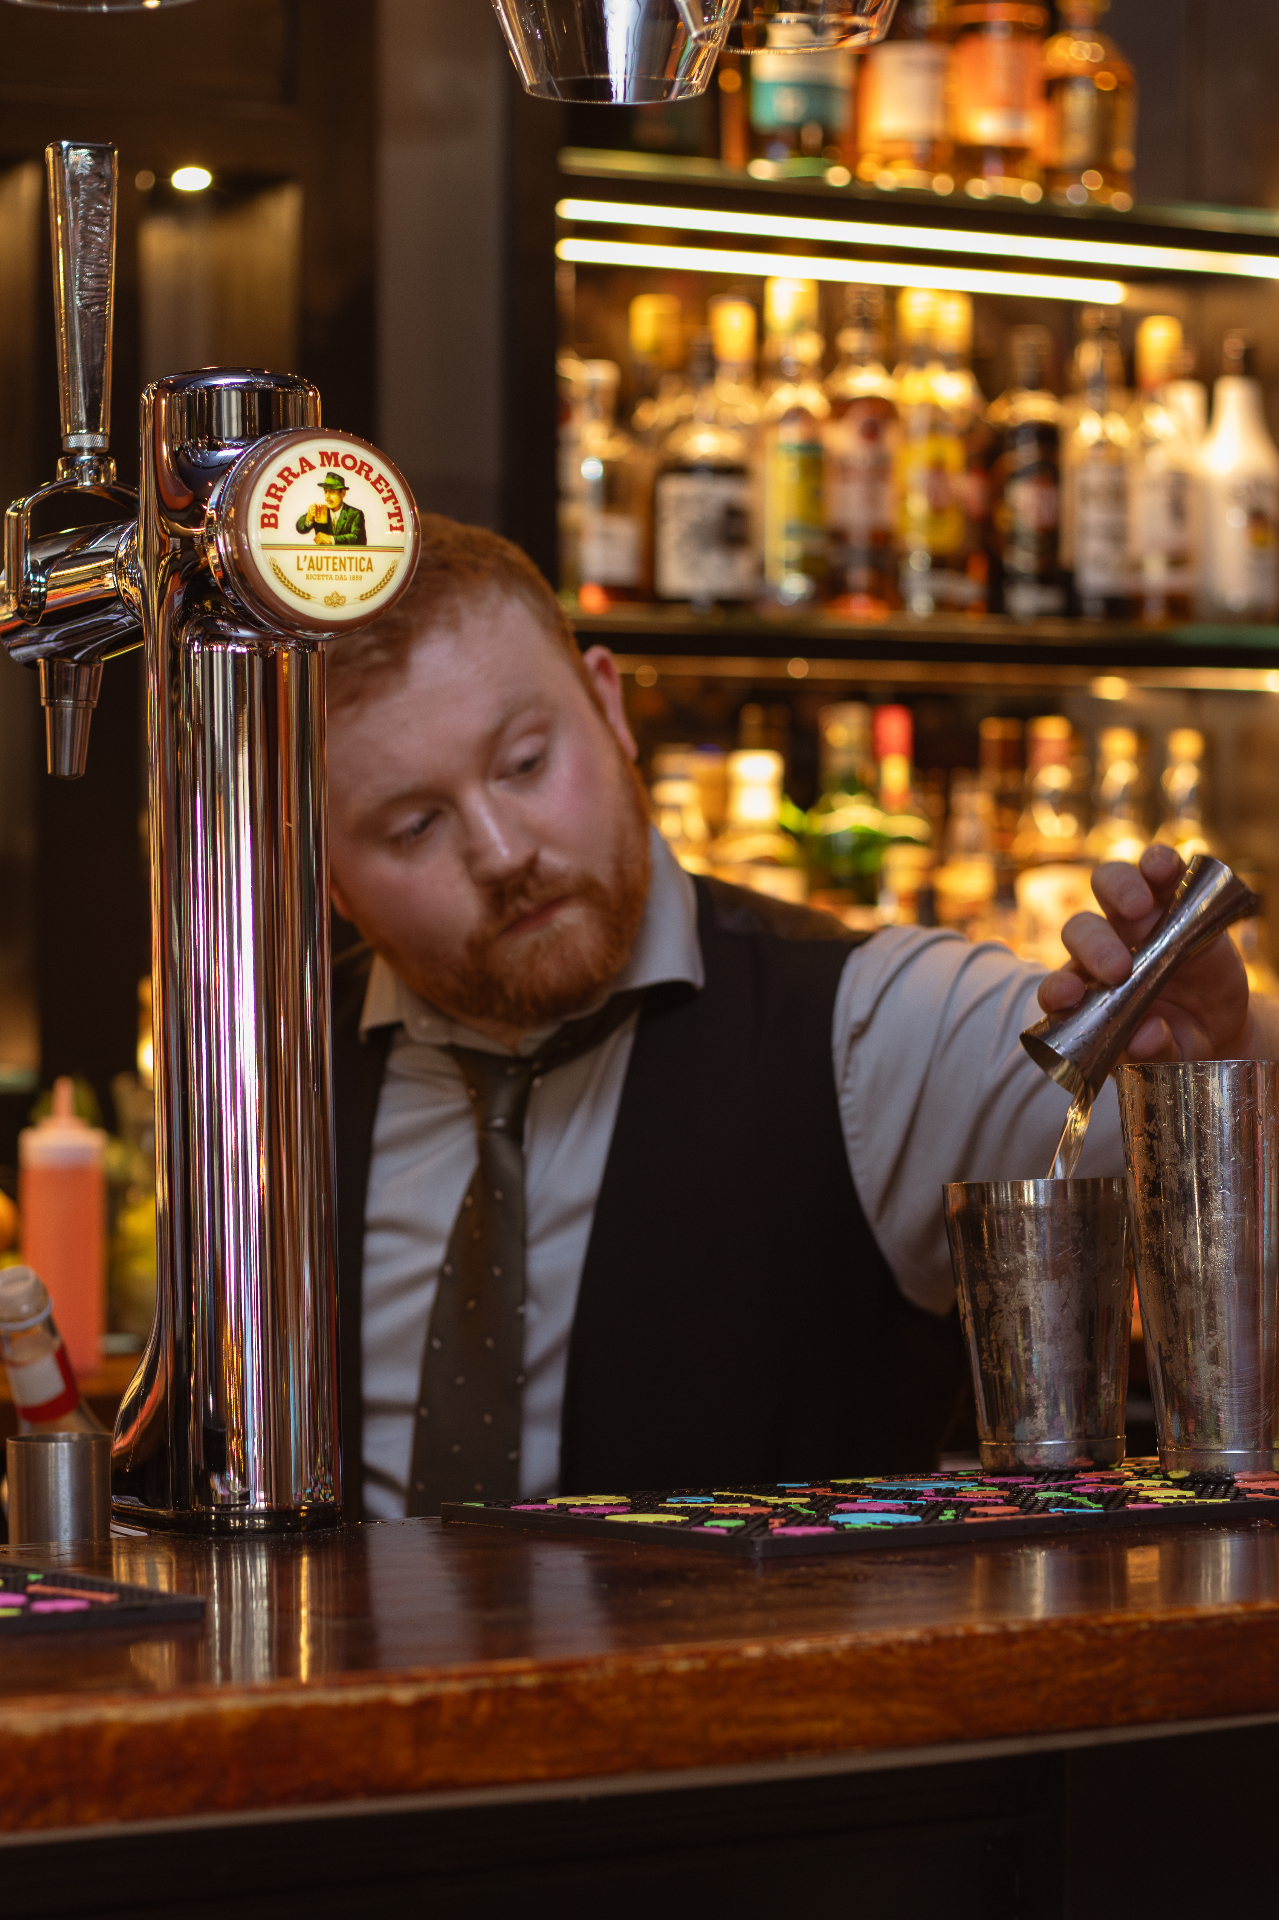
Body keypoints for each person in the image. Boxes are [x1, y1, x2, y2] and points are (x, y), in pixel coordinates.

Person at [326, 515, 1278, 1522]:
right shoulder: (267, 1083)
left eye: (524, 762)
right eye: (415, 825)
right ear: (328, 874)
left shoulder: (871, 1026)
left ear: (607, 707)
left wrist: (1231, 1048)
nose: (502, 849)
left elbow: (1212, 1134)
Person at [298, 472, 367, 547]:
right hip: (322, 557)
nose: (327, 497)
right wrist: (308, 518)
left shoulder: (354, 514)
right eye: (325, 491)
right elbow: (300, 528)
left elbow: (360, 539)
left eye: (332, 492)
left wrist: (331, 539)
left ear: (343, 493)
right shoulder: (321, 511)